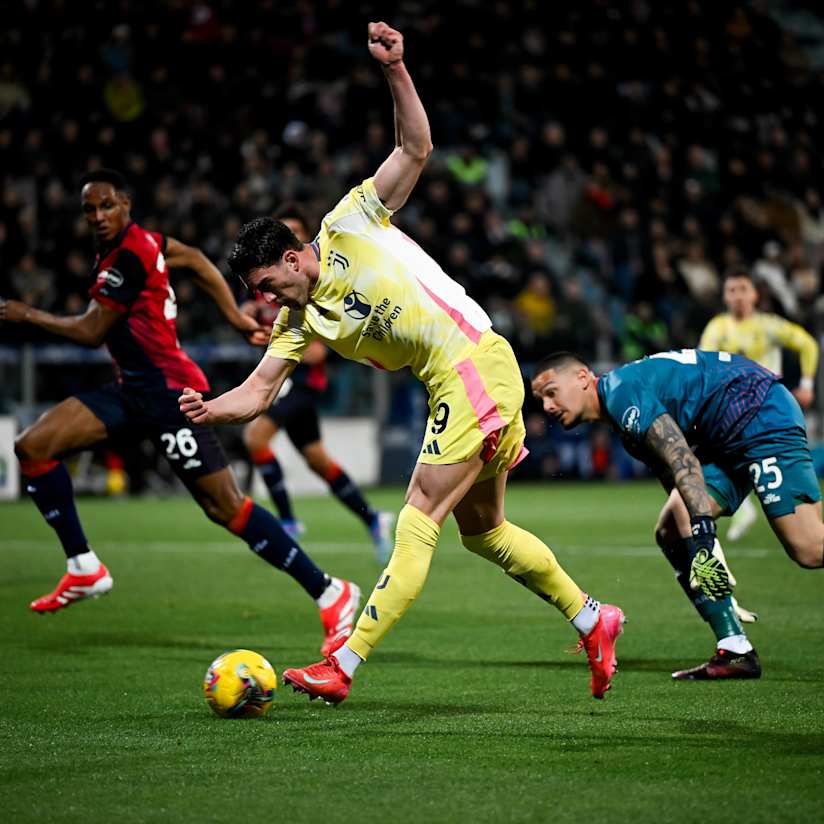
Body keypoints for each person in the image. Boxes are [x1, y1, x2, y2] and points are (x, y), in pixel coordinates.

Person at [180, 22, 625, 705]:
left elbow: (415, 148)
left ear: (295, 257)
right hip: (455, 379)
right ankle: (594, 617)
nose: (266, 303)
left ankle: (346, 663)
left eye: (268, 285)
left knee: (420, 509)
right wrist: (212, 407)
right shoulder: (303, 320)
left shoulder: (350, 221)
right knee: (483, 533)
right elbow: (260, 389)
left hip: (473, 360)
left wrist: (395, 70)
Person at [0, 168, 360, 657]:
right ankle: (83, 566)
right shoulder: (144, 243)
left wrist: (27, 314)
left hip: (171, 394)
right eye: (90, 209)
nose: (99, 216)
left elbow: (90, 331)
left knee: (226, 508)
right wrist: (234, 316)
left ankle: (329, 591)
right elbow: (191, 258)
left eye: (107, 205)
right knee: (33, 446)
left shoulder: (130, 253)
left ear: (126, 202)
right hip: (132, 390)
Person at [531, 349, 823, 680]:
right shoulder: (622, 414)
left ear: (583, 377)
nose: (547, 407)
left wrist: (704, 539)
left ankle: (732, 639)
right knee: (671, 527)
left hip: (760, 413)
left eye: (552, 392)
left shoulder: (622, 393)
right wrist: (709, 556)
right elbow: (675, 481)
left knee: (810, 549)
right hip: (727, 436)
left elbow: (683, 459)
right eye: (541, 400)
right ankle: (735, 646)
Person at [240, 203, 395, 561]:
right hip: (285, 383)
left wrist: (280, 342)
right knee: (317, 460)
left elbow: (316, 354)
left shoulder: (314, 277)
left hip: (303, 382)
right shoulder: (267, 286)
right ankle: (373, 519)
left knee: (255, 437)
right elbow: (252, 319)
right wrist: (248, 321)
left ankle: (290, 522)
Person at [699, 267, 819, 542]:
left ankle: (757, 508)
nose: (737, 296)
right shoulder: (717, 328)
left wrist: (808, 385)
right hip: (730, 418)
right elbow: (703, 366)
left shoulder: (768, 325)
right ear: (725, 297)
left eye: (742, 289)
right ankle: (738, 508)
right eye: (731, 290)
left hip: (767, 415)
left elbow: (808, 345)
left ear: (754, 294)